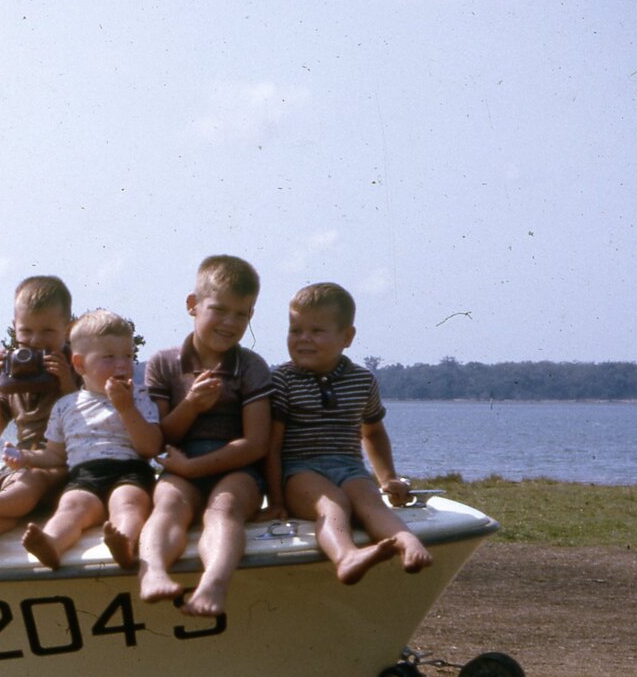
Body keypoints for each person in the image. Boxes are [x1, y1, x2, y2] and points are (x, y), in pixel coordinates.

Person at [264, 282, 433, 581]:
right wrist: (276, 500)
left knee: (369, 499)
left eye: (316, 331)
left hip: (348, 467)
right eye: (295, 330)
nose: (303, 339)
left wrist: (388, 478)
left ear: (347, 337)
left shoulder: (362, 381)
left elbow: (374, 432)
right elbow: (272, 445)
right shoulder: (282, 380)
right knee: (333, 503)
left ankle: (406, 542)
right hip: (299, 473)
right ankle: (345, 556)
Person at [137, 254, 272, 618]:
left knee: (224, 509)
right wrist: (192, 406)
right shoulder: (163, 363)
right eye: (220, 310)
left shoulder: (252, 367)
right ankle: (152, 573)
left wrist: (195, 468)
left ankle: (213, 584)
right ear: (193, 305)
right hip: (179, 464)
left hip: (237, 467)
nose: (230, 322)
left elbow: (257, 443)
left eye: (242, 314)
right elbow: (161, 436)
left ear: (251, 316)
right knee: (167, 505)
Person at [3, 309, 164, 570]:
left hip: (130, 472)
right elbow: (55, 455)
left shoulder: (139, 397)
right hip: (84, 476)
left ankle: (125, 541)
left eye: (128, 355)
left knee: (128, 504)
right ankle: (52, 544)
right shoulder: (66, 406)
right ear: (79, 365)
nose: (122, 364)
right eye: (109, 357)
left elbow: (150, 448)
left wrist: (126, 408)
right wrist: (25, 457)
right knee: (70, 507)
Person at [0, 275, 76, 551]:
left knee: (30, 481)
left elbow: (84, 422)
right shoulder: (13, 372)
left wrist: (67, 383)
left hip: (65, 466)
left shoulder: (78, 366)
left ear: (67, 329)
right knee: (20, 485)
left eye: (48, 332)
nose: (36, 341)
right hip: (22, 467)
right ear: (13, 328)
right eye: (26, 331)